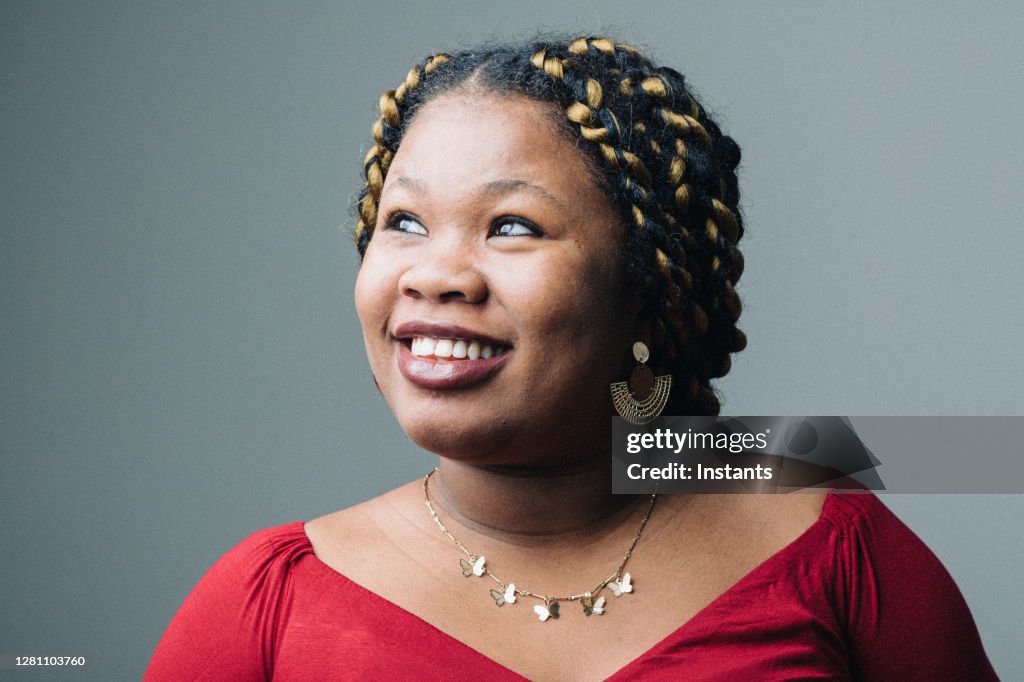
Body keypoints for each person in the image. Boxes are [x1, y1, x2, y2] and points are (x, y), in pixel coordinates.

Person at [145, 36, 997, 680]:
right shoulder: (268, 602)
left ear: (644, 290)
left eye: (512, 226)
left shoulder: (837, 553)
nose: (436, 274)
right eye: (403, 222)